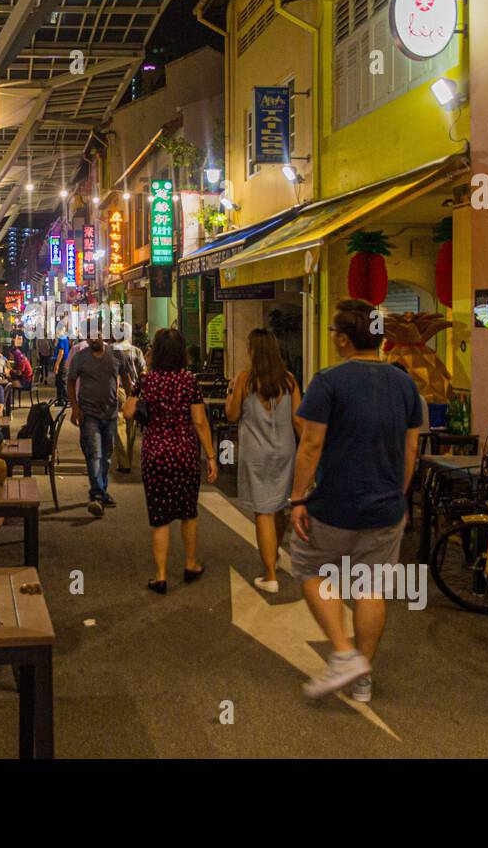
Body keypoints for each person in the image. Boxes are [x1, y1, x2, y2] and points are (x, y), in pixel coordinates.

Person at [288, 298, 424, 701]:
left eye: (334, 333)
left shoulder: (328, 381)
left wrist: (298, 498)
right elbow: (411, 447)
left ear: (344, 339)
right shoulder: (403, 383)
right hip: (386, 506)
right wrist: (396, 494)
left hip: (334, 505)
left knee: (310, 568)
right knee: (371, 587)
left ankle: (345, 654)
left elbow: (311, 443)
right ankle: (362, 677)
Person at [122, 328, 216, 594]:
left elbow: (128, 412)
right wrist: (211, 456)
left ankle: (161, 575)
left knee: (160, 517)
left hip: (155, 454)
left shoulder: (147, 381)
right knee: (188, 511)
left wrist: (139, 399)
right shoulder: (189, 381)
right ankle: (190, 564)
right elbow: (199, 421)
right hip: (185, 452)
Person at [226, 328, 302, 593]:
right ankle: (276, 555)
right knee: (278, 506)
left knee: (263, 512)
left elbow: (232, 414)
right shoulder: (290, 381)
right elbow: (298, 421)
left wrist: (230, 393)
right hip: (285, 452)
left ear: (252, 350)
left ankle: (270, 575)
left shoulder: (245, 380)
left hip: (256, 454)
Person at [68, 336, 132, 517]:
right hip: (89, 414)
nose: (91, 339)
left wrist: (129, 400)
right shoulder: (81, 357)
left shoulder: (117, 354)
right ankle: (96, 494)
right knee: (94, 453)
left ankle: (102, 491)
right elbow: (71, 381)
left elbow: (126, 378)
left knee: (107, 454)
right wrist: (74, 407)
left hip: (110, 413)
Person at [112, 334, 147, 473]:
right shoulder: (136, 351)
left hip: (118, 390)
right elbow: (144, 371)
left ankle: (124, 463)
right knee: (131, 425)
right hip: (134, 391)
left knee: (119, 424)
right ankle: (128, 459)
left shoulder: (112, 350)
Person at [52, 334, 72, 403]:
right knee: (60, 381)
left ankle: (65, 399)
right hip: (64, 361)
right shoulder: (65, 338)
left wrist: (57, 364)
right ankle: (61, 399)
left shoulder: (61, 339)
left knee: (61, 381)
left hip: (62, 362)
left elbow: (61, 353)